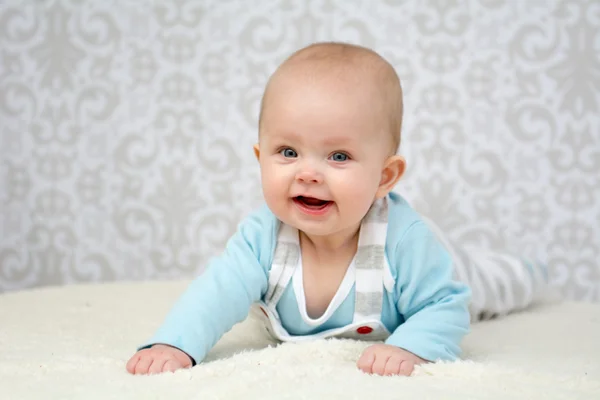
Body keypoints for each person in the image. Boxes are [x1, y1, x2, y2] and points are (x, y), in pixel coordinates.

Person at [126, 42, 545, 377]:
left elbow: (443, 305)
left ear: (384, 177)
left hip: (447, 268)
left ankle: (528, 272)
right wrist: (174, 343)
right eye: (287, 151)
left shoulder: (406, 240)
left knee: (488, 287)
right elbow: (213, 295)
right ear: (260, 158)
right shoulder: (261, 238)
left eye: (339, 156)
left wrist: (410, 347)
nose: (308, 173)